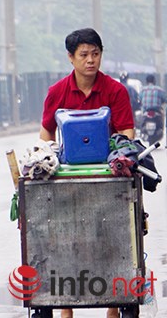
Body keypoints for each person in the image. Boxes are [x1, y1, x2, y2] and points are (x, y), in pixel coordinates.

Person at [39, 28, 134, 318]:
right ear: (71, 58)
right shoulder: (57, 92)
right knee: (64, 239)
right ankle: (65, 307)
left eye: (95, 54)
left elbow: (127, 132)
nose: (91, 60)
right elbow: (46, 133)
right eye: (84, 55)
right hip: (67, 179)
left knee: (111, 237)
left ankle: (113, 305)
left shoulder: (115, 91)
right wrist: (47, 158)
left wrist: (117, 157)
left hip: (106, 176)